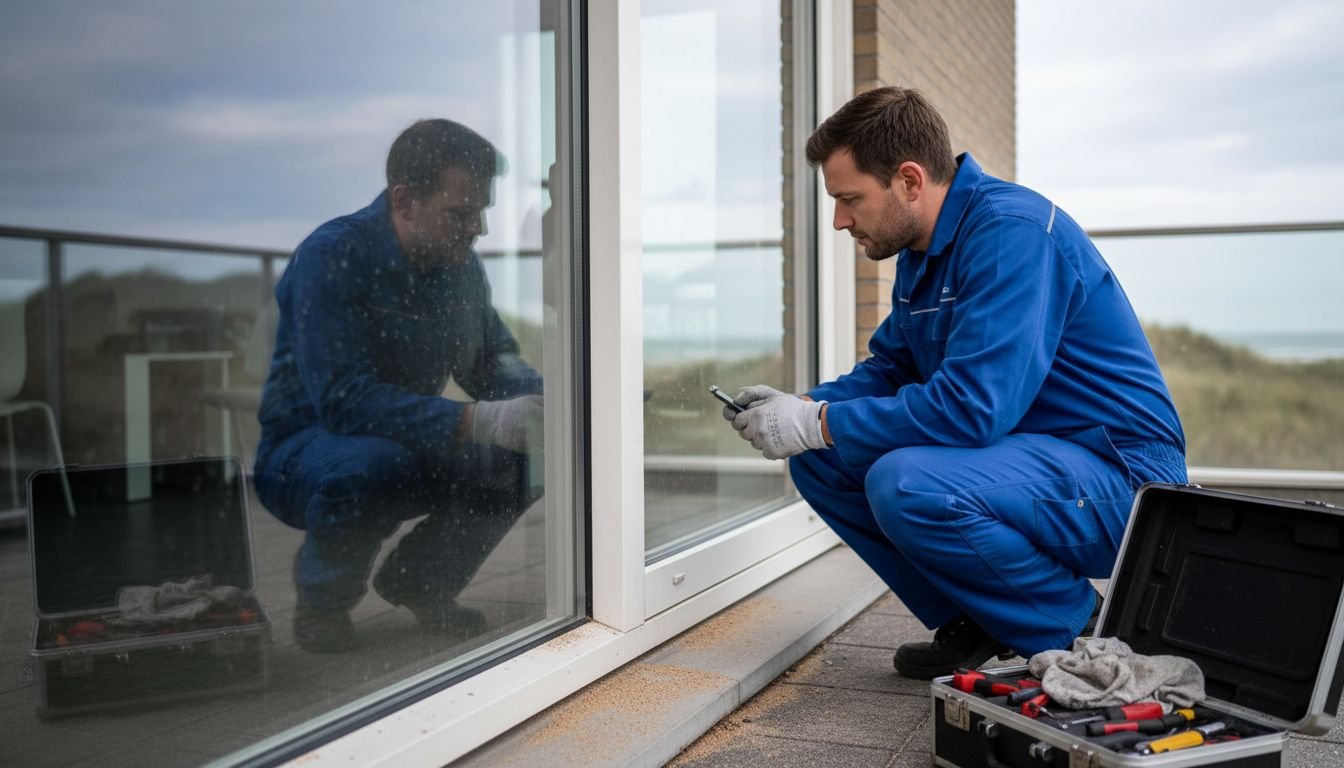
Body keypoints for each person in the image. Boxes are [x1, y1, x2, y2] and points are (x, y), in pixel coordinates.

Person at [723, 87, 1187, 679]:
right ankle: (980, 620)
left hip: (1124, 483)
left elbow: (971, 410)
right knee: (822, 461)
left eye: (848, 199)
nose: (840, 220)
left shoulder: (1011, 234)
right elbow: (892, 369)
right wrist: (807, 406)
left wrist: (814, 424)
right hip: (1027, 463)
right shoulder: (923, 249)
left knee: (906, 482)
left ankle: (1080, 627)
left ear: (910, 181)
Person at [253, 119, 543, 653]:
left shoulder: (460, 267)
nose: (478, 227)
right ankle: (324, 602)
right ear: (405, 201)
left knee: (530, 456)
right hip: (304, 455)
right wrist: (479, 420)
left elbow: (489, 363)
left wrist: (560, 399)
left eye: (483, 210)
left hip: (407, 442)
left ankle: (421, 582)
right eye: (461, 212)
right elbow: (343, 402)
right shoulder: (331, 255)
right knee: (373, 463)